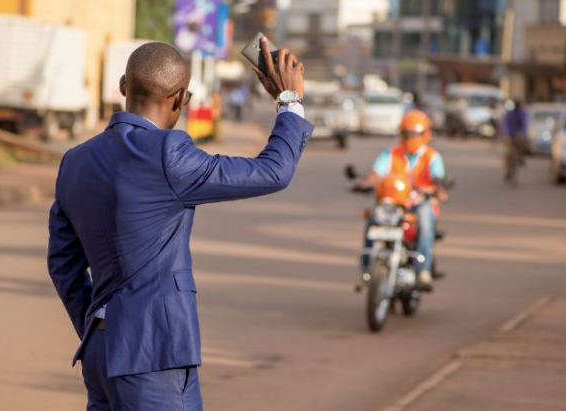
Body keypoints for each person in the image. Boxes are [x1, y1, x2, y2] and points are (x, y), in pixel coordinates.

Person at [47, 40, 311, 411]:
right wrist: (290, 101)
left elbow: (63, 264)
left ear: (124, 86)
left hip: (100, 355)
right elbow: (273, 171)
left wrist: (100, 329)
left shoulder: (74, 161)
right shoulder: (169, 154)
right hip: (153, 355)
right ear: (181, 98)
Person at [355, 110, 447, 291]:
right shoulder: (391, 154)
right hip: (394, 204)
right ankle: (367, 271)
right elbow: (376, 173)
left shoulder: (432, 156)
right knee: (372, 221)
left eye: (415, 133)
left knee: (426, 221)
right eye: (407, 133)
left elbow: (437, 178)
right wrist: (365, 183)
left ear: (425, 134)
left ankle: (423, 271)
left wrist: (438, 190)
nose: (411, 137)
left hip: (420, 203)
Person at [501, 100, 528, 187]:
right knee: (508, 153)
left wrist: (523, 134)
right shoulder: (509, 113)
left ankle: (522, 157)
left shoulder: (522, 113)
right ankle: (508, 171)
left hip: (517, 134)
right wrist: (508, 134)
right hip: (509, 134)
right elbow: (505, 125)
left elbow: (524, 125)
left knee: (523, 143)